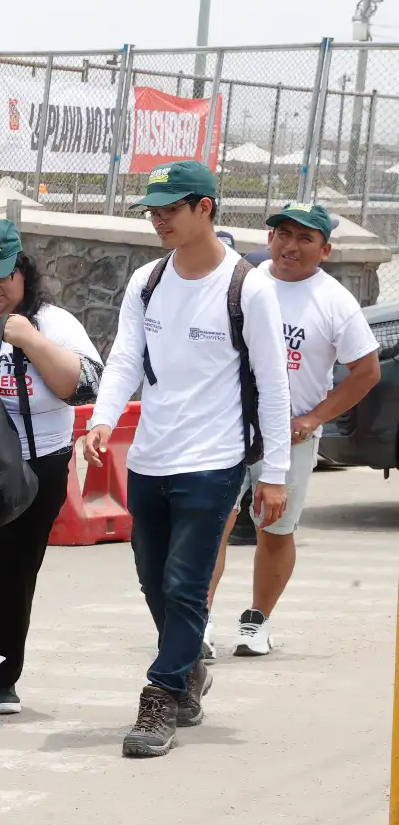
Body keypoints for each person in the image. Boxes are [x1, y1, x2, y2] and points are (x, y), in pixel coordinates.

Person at [84, 160, 291, 758]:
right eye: (152, 210)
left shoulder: (248, 286)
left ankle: (161, 693)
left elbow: (274, 386)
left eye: (170, 209)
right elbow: (125, 356)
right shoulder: (147, 281)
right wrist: (102, 419)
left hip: (215, 458)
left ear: (205, 208)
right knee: (154, 580)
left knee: (185, 583)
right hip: (149, 457)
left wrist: (272, 473)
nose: (158, 220)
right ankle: (190, 668)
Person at [207, 201, 378, 656]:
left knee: (274, 530)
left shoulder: (334, 300)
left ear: (324, 250)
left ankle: (257, 621)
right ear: (269, 240)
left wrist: (314, 418)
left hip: (292, 436)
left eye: (305, 238)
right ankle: (196, 621)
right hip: (230, 429)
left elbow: (366, 371)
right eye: (283, 234)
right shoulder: (244, 283)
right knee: (211, 525)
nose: (291, 246)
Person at [0, 220, 101, 713]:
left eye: (3, 275)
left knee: (14, 572)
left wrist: (31, 341)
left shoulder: (53, 322)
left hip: (38, 467)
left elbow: (86, 386)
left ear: (24, 273)